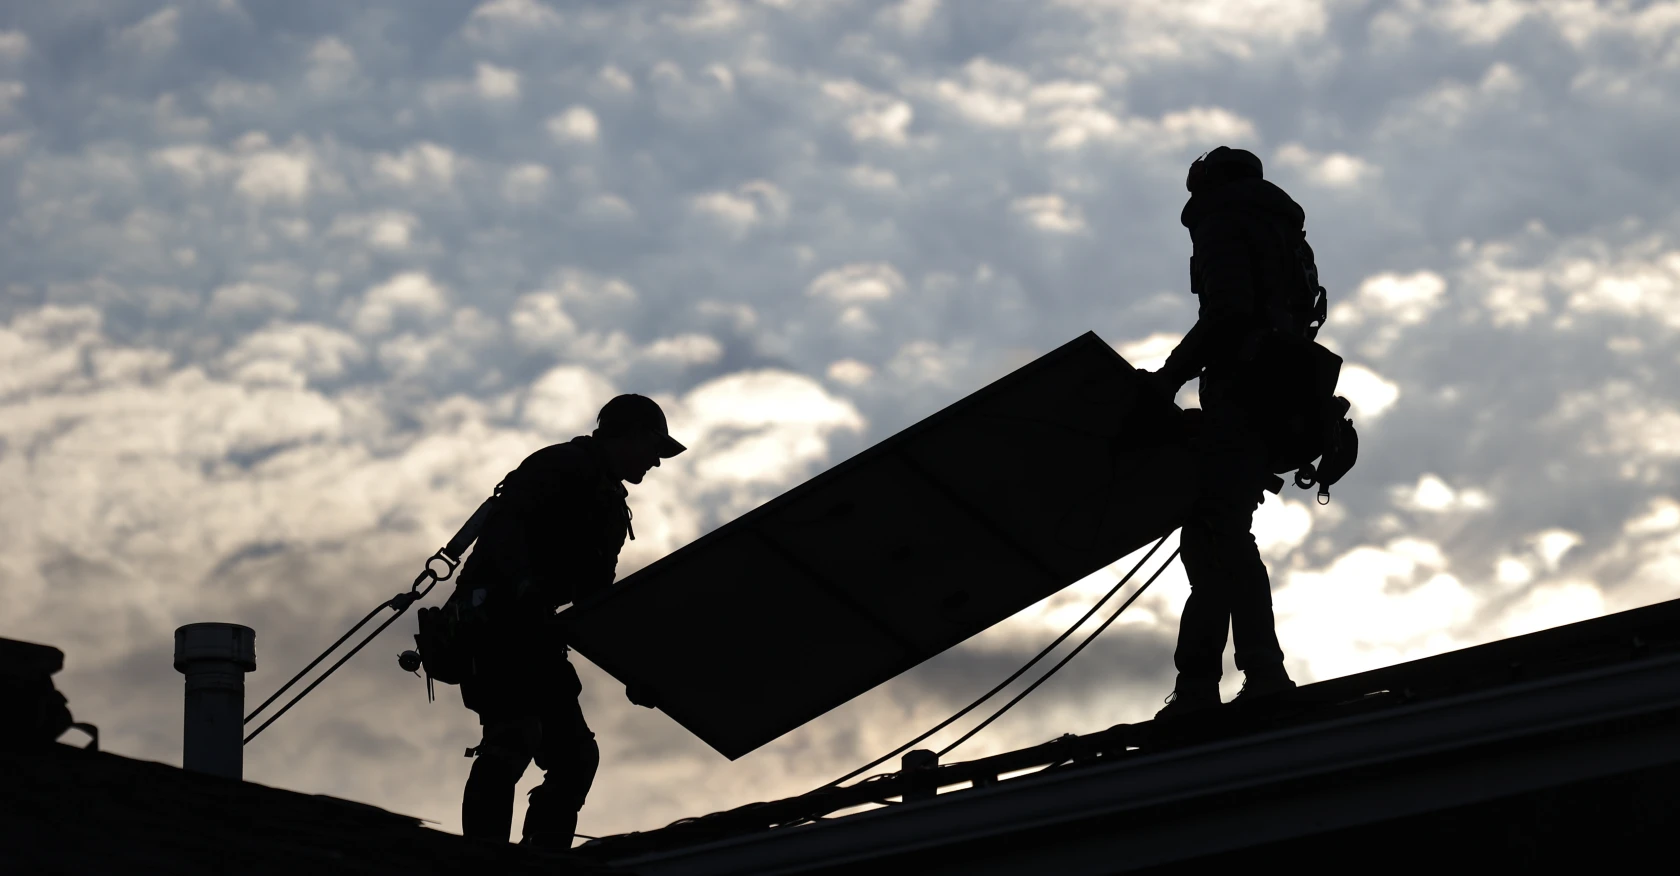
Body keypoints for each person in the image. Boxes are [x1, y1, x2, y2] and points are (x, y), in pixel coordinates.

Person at [457, 393, 685, 848]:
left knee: (576, 757)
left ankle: (542, 858)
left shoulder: (611, 510)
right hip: (495, 620)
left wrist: (636, 672)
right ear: (632, 435)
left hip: (537, 633)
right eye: (653, 449)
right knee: (514, 734)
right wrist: (523, 589)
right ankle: (481, 861)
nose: (656, 464)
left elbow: (597, 607)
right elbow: (505, 537)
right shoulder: (559, 466)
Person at [1144, 146, 1311, 719]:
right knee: (1215, 536)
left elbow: (1229, 312)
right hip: (1281, 396)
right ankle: (1206, 683)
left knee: (1217, 536)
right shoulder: (1283, 230)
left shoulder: (1223, 219)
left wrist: (1168, 377)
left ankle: (1250, 674)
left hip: (1243, 394)